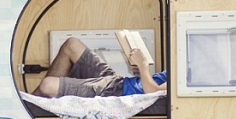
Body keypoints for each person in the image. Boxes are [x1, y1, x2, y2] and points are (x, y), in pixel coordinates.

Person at [32, 37, 167, 98]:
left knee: (47, 85)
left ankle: (29, 107)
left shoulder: (184, 79)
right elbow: (153, 85)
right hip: (119, 82)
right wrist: (141, 72)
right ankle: (32, 103)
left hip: (117, 91)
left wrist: (143, 66)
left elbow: (154, 93)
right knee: (71, 45)